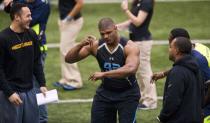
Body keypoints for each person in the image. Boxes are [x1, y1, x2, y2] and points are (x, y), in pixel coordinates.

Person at [65, 17, 140, 123]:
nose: (106, 36)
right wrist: (80, 45)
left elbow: (131, 69)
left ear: (115, 28)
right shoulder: (96, 46)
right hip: (105, 93)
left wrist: (104, 74)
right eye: (102, 34)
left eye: (109, 33)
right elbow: (69, 59)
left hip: (127, 94)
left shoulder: (129, 46)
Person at [3, 0, 50, 122]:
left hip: (30, 91)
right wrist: (9, 93)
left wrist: (42, 84)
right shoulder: (3, 38)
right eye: (28, 16)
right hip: (11, 93)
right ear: (17, 17)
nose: (31, 18)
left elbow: (36, 62)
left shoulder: (31, 34)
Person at [152, 28, 210, 123]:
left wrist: (200, 107)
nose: (169, 46)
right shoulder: (195, 51)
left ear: (179, 47)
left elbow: (173, 100)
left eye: (171, 44)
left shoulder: (198, 60)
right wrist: (164, 74)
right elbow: (184, 66)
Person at [117, 0, 157, 110]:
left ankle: (151, 101)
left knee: (144, 71)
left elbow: (138, 22)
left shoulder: (146, 2)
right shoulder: (138, 2)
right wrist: (116, 27)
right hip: (136, 41)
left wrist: (125, 10)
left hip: (143, 42)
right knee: (139, 72)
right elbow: (131, 21)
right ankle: (144, 98)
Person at [53, 0, 84, 91]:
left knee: (67, 51)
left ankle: (75, 81)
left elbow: (80, 3)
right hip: (65, 21)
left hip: (72, 22)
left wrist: (68, 17)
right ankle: (66, 78)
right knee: (63, 50)